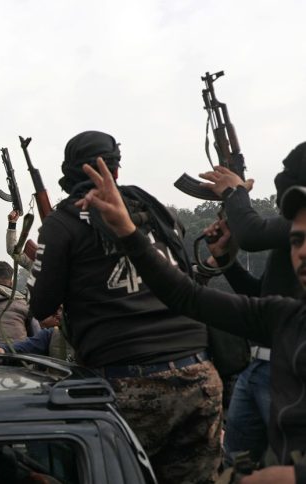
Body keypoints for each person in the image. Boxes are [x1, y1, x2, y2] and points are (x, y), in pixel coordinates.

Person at [77, 156, 306, 484]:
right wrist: (127, 231)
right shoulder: (286, 316)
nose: (302, 251)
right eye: (296, 240)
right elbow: (187, 296)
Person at [27, 131, 221, 483]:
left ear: (68, 173)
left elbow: (41, 306)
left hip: (125, 380)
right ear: (116, 170)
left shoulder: (64, 221)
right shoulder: (155, 210)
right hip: (199, 372)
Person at [199, 143, 306, 466]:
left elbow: (253, 234)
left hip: (287, 370)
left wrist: (234, 193)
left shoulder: (296, 227)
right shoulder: (291, 240)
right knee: (239, 467)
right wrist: (224, 260)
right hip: (257, 365)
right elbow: (261, 295)